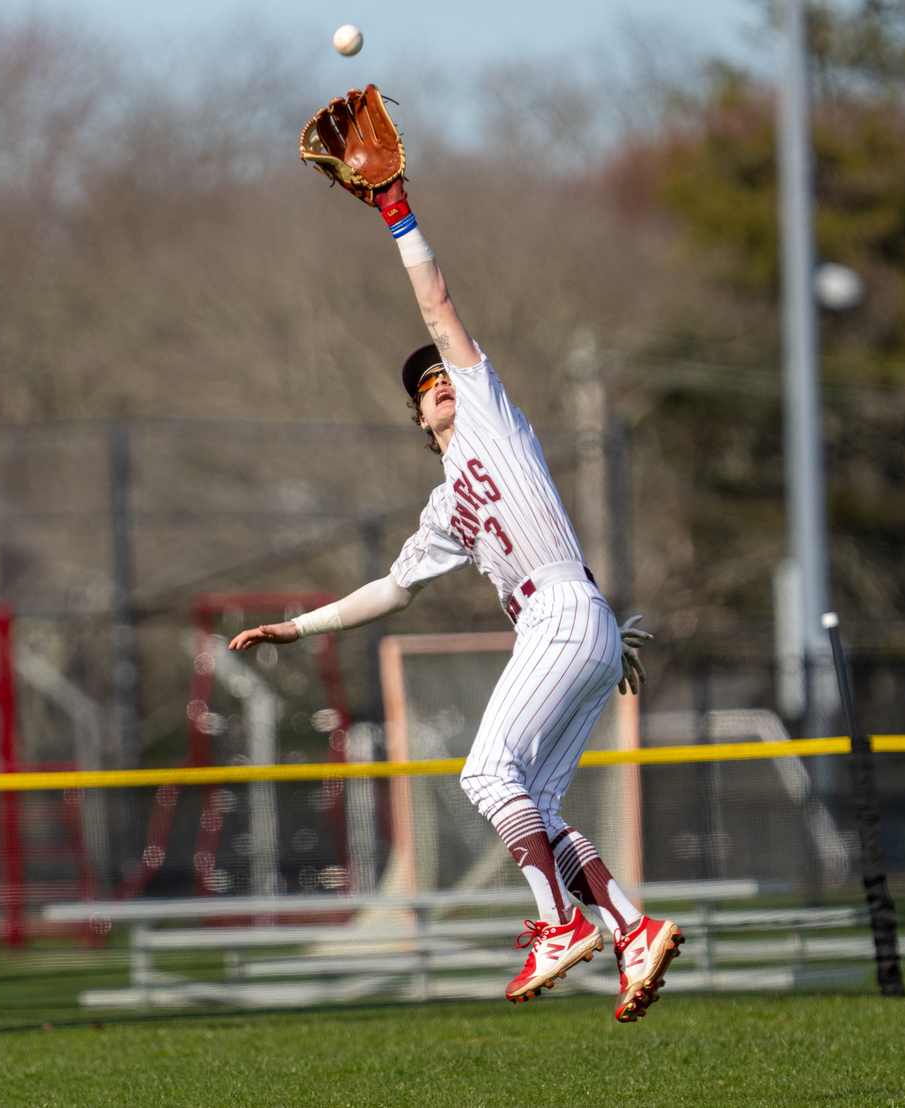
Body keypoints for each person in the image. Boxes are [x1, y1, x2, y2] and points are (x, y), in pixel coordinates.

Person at [228, 159, 682, 1022]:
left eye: (440, 371)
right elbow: (392, 591)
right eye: (423, 384)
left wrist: (396, 212)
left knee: (482, 773)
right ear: (416, 419)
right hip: (573, 627)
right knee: (535, 802)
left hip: (563, 613)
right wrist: (295, 627)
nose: (436, 379)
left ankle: (557, 927)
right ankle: (630, 925)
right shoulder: (446, 509)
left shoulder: (486, 411)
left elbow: (437, 306)